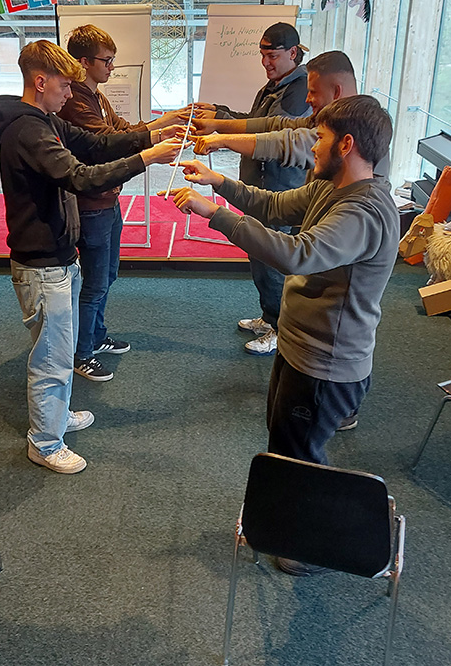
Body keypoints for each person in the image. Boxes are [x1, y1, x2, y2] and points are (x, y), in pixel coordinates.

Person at [165, 96, 399, 568]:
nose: (312, 147)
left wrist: (215, 214)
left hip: (325, 365)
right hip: (301, 349)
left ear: (347, 144)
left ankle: (308, 546)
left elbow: (297, 255)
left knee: (298, 457)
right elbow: (273, 206)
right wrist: (219, 182)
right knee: (286, 446)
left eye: (321, 138)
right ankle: (306, 524)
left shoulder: (364, 212)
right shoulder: (330, 187)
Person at [0, 39, 182, 475]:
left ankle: (56, 416)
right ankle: (45, 442)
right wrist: (146, 157)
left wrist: (154, 134)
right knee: (52, 359)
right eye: (64, 85)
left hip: (57, 257)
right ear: (41, 82)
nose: (70, 94)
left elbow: (94, 144)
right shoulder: (28, 131)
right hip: (42, 265)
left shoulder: (46, 120)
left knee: (58, 350)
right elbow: (79, 176)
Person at [192, 49, 356, 355]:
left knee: (287, 269)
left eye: (313, 92)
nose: (307, 99)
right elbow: (275, 127)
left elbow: (287, 141)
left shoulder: (361, 203)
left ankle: (281, 327)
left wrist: (222, 139)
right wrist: (217, 173)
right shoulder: (323, 182)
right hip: (316, 336)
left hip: (332, 349)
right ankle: (276, 322)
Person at [58, 24, 186, 382]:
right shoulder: (77, 100)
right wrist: (154, 143)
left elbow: (124, 130)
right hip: (91, 202)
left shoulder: (96, 96)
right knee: (95, 282)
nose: (112, 67)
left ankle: (95, 336)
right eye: (107, 61)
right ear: (84, 62)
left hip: (108, 197)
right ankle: (82, 353)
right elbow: (107, 142)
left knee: (107, 274)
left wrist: (167, 122)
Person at [191, 22, 311, 356]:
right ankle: (271, 317)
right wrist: (219, 115)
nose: (265, 62)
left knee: (272, 260)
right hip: (260, 186)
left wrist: (221, 133)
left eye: (272, 55)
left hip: (279, 189)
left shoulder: (298, 89)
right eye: (262, 54)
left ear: (293, 53)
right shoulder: (273, 86)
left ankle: (282, 329)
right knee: (260, 256)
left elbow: (271, 137)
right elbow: (256, 122)